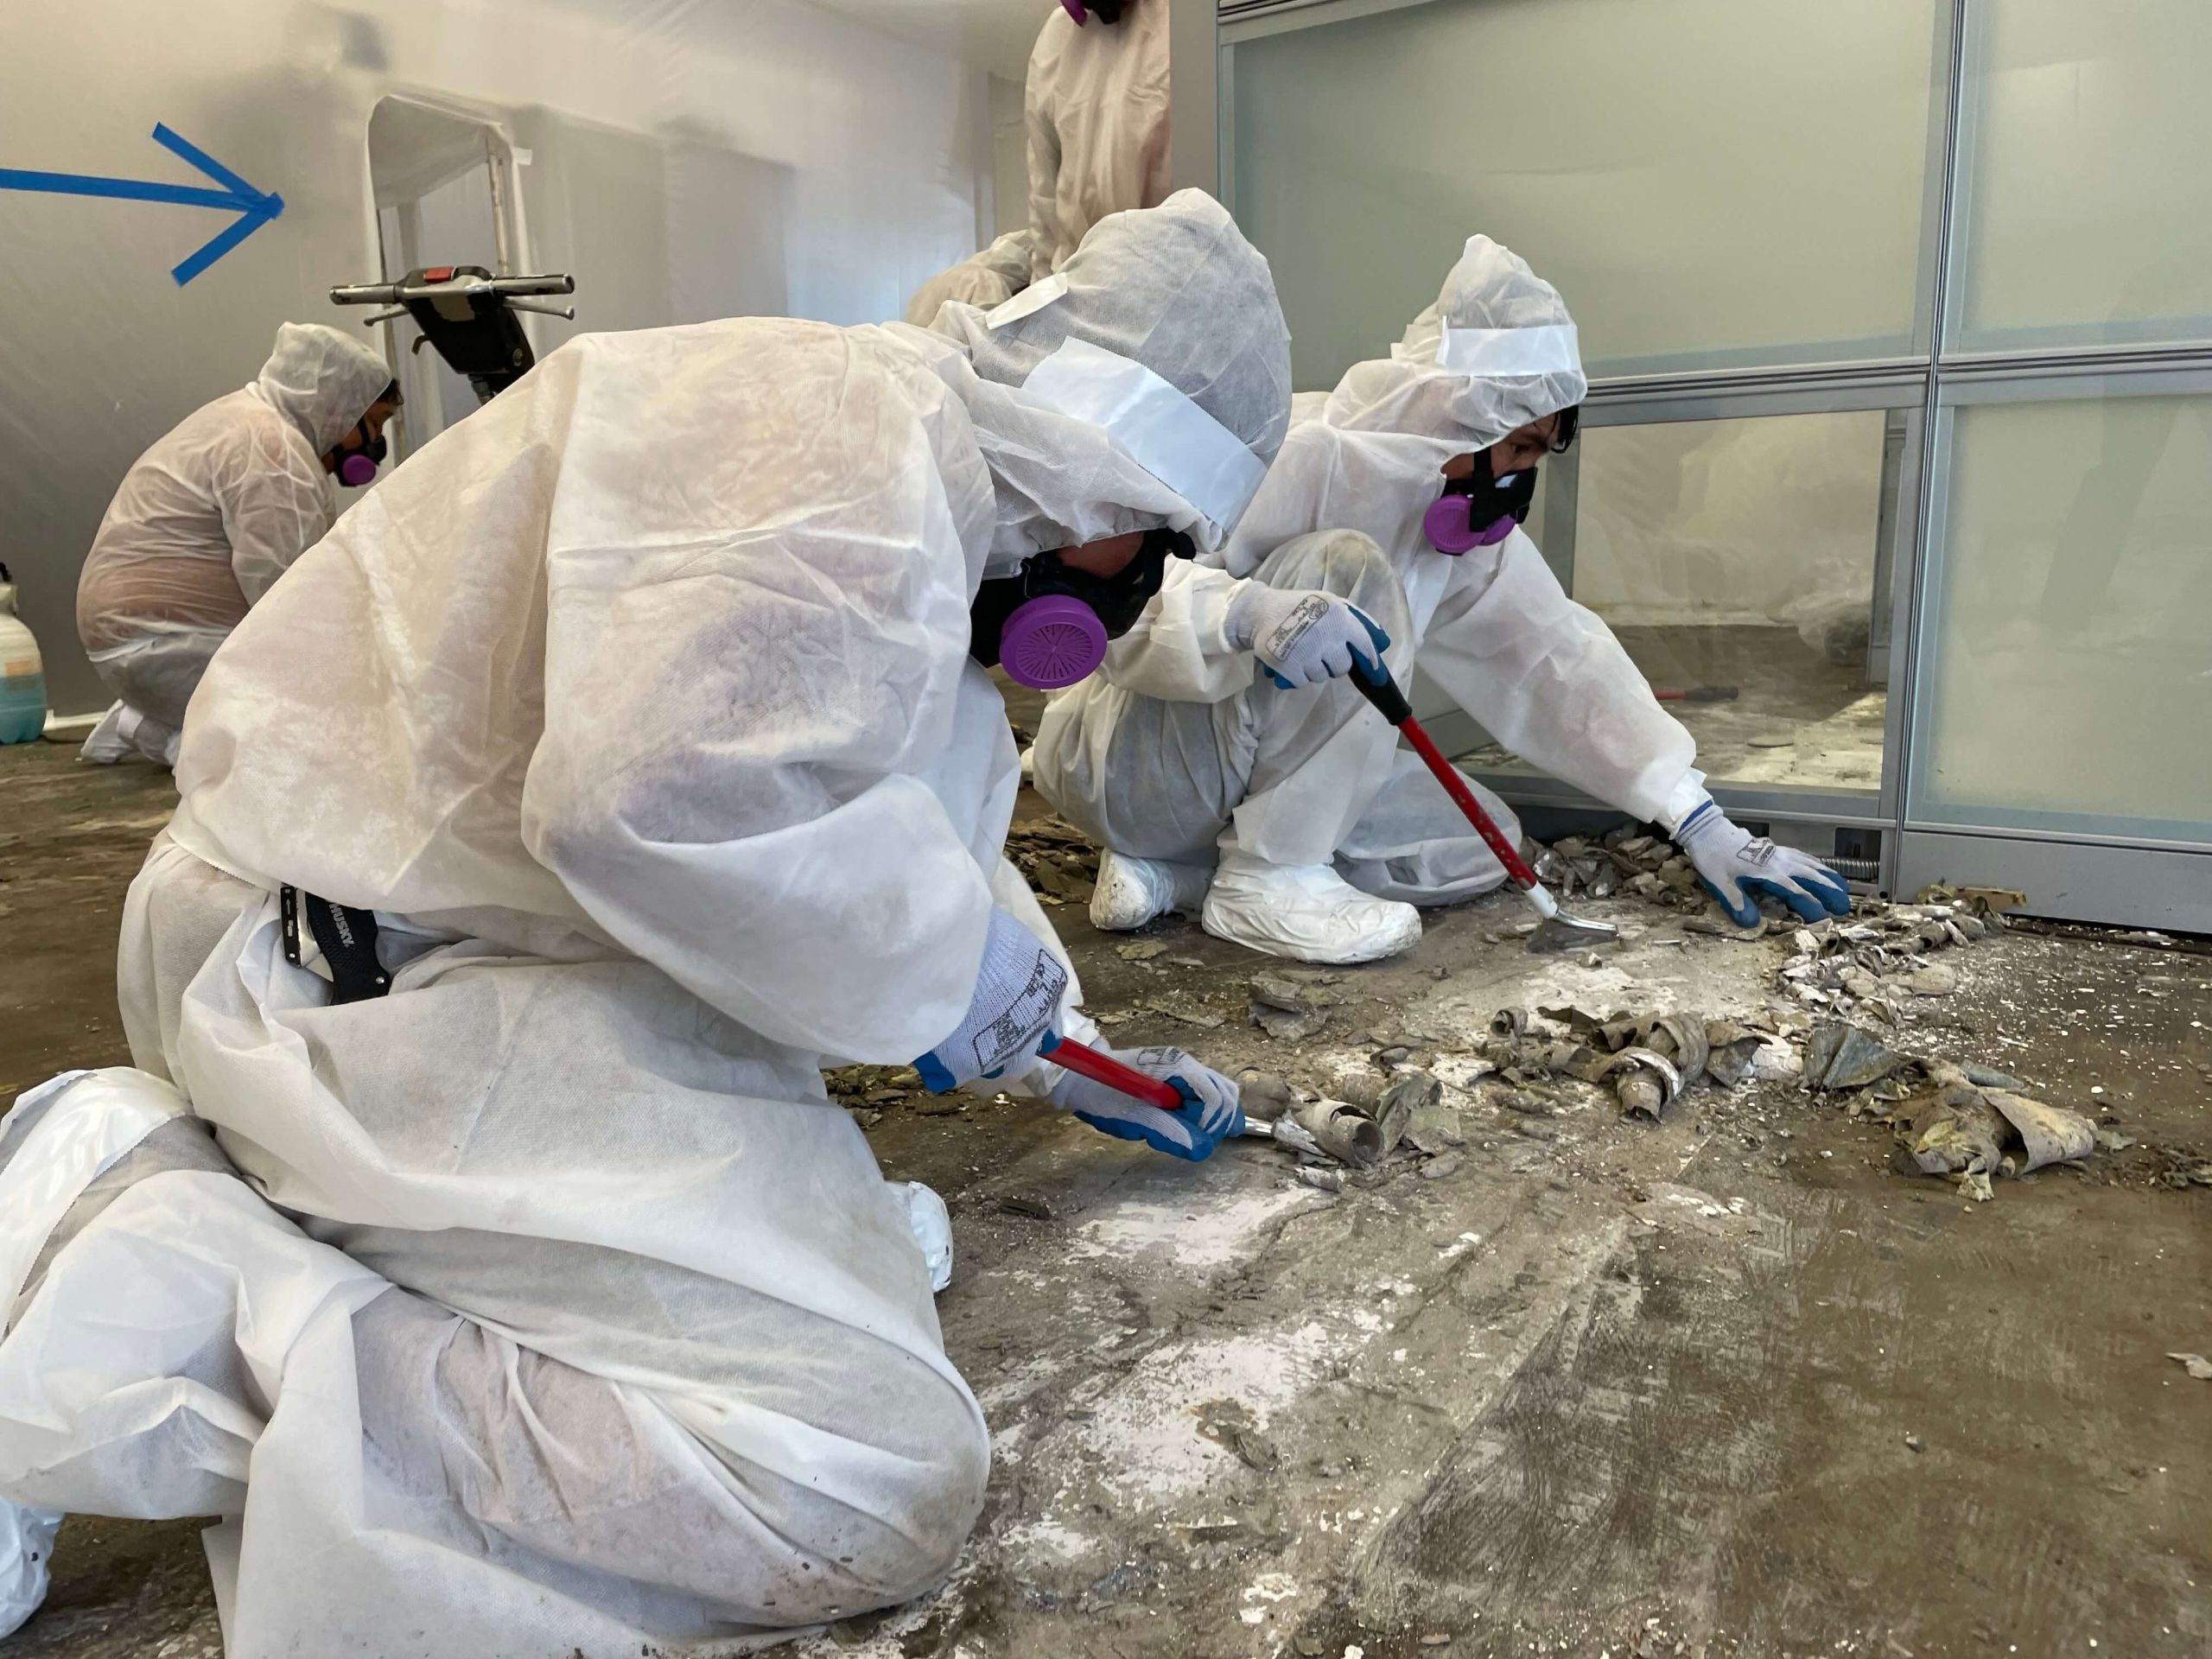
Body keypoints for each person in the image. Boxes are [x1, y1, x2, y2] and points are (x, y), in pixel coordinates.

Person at [0, 193, 1287, 1652]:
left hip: (452, 937)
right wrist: (957, 985)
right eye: (1158, 550)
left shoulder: (913, 483)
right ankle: (147, 1272)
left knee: (857, 1269)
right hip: (361, 976)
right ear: (1114, 473)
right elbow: (670, 807)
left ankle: (294, 1238)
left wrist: (1055, 1036)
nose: (1133, 603)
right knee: (851, 1481)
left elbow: (873, 822)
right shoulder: (847, 444)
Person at [1033, 235, 1853, 963]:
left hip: (1222, 786)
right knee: (1345, 569)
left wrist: (1699, 819)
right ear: (1468, 413)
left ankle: (1183, 875)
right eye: (1522, 445)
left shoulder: (1448, 530)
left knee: (1486, 840)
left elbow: (1552, 662)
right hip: (1132, 763)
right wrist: (1245, 615)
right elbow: (1117, 593)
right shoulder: (1296, 454)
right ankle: (1266, 878)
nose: (1523, 478)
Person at [73, 323, 398, 767]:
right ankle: (181, 740)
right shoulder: (275, 452)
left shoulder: (238, 419)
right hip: (174, 647)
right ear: (340, 409)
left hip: (138, 645)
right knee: (310, 750)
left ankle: (159, 716)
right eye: (374, 424)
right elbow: (290, 597)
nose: (376, 444)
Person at [904, 0, 1169, 327]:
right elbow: (1046, 214)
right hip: (1077, 307)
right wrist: (1042, 323)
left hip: (1171, 302)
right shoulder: (1058, 41)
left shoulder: (1190, 25)